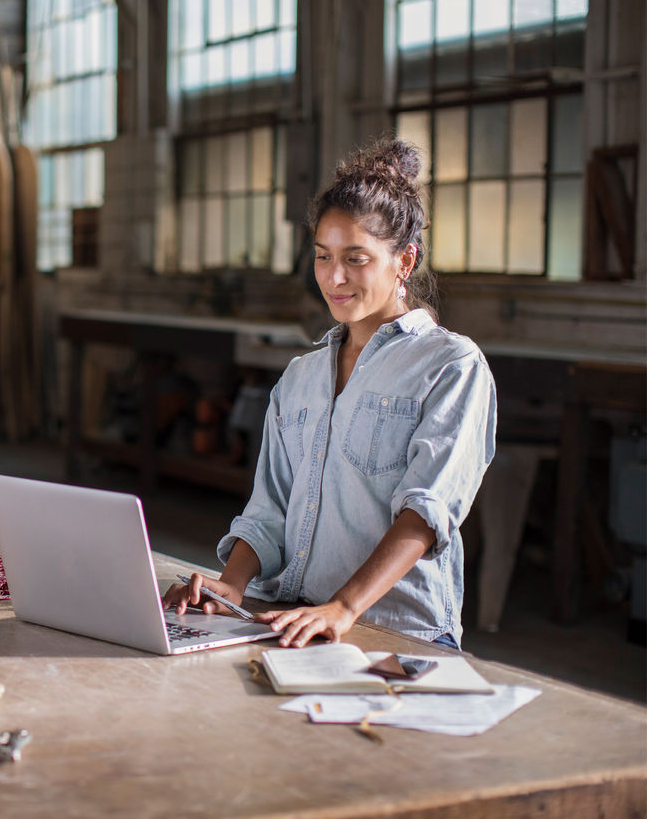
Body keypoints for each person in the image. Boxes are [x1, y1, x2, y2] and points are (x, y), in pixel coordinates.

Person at [163, 138, 497, 650]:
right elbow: (268, 508)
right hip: (292, 619)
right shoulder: (300, 377)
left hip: (396, 632)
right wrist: (231, 586)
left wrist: (344, 607)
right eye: (323, 257)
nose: (334, 278)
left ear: (404, 261)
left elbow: (427, 514)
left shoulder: (451, 366)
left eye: (356, 259)